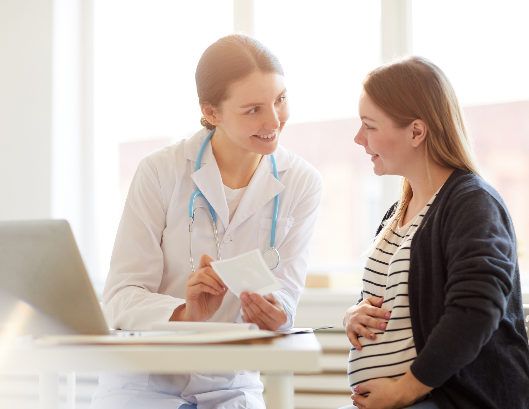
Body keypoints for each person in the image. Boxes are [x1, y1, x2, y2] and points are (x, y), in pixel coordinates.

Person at [90, 34, 322, 409]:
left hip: (231, 386)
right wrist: (183, 313)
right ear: (212, 112)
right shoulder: (160, 172)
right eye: (253, 110)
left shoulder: (302, 182)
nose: (274, 120)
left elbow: (285, 299)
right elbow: (121, 295)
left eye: (280, 100)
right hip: (144, 382)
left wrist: (275, 314)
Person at [341, 56, 529, 409]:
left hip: (452, 399)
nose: (358, 138)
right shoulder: (398, 212)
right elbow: (403, 303)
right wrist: (354, 314)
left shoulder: (472, 204)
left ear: (416, 131)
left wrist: (404, 390)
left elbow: (475, 309)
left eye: (369, 125)